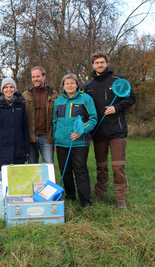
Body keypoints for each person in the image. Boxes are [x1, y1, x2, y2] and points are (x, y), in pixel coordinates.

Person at [84, 51, 136, 209]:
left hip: (116, 131)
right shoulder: (89, 86)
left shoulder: (118, 80)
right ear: (93, 65)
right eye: (97, 63)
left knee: (118, 165)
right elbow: (86, 109)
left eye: (102, 62)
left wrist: (116, 107)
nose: (100, 65)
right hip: (98, 132)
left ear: (107, 63)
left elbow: (131, 98)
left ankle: (120, 197)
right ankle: (100, 193)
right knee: (101, 165)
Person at [53, 74, 97, 208]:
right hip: (61, 143)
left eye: (72, 83)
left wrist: (81, 131)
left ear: (77, 85)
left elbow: (93, 118)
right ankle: (70, 196)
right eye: (67, 83)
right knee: (65, 170)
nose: (70, 85)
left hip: (79, 142)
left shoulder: (85, 99)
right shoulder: (58, 100)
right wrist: (56, 138)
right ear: (63, 86)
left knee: (80, 170)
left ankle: (85, 200)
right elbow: (55, 121)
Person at [0, 78, 30, 180]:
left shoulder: (21, 105)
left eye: (11, 87)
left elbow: (25, 128)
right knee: (4, 177)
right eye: (6, 87)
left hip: (18, 146)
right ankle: (3, 195)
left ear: (15, 88)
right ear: (2, 89)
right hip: (2, 146)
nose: (9, 89)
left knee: (18, 177)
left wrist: (26, 148)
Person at [23, 67, 59, 164]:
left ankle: (48, 180)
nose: (35, 79)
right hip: (31, 137)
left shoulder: (54, 95)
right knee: (32, 167)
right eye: (33, 77)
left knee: (48, 165)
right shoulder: (25, 95)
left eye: (38, 76)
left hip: (47, 137)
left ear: (44, 77)